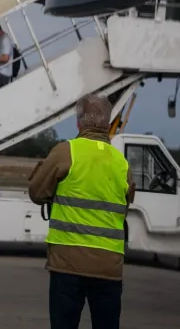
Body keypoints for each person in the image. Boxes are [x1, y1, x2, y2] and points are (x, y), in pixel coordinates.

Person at [28, 93, 136, 329]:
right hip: (108, 268)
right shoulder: (122, 164)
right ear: (107, 124)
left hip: (68, 264)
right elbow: (124, 207)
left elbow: (36, 192)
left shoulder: (66, 152)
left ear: (79, 123)